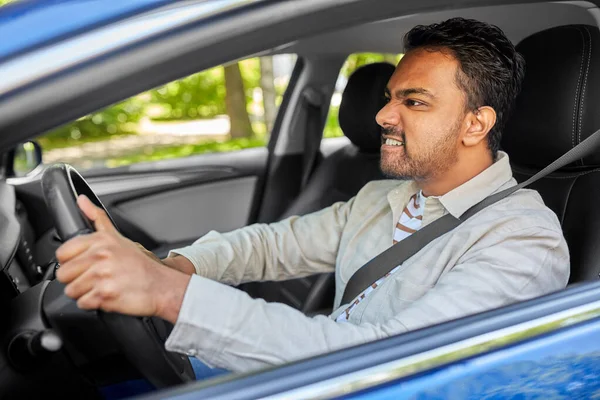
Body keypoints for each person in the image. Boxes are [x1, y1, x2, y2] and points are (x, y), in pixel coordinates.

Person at [55, 17, 569, 377]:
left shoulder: (522, 241)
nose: (384, 116)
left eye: (413, 101)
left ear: (475, 124)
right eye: (391, 98)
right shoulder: (380, 198)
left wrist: (167, 296)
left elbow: (387, 364)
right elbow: (271, 245)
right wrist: (173, 267)